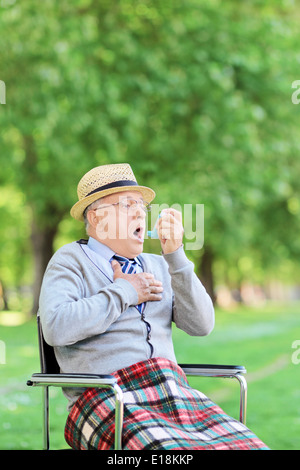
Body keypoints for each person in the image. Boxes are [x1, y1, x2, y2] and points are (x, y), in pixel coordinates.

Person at [39, 163, 268, 450]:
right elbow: (55, 327)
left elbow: (202, 324)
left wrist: (176, 256)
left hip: (173, 390)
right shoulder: (70, 260)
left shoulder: (160, 265)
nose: (140, 212)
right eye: (127, 204)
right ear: (97, 218)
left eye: (142, 205)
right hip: (105, 398)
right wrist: (125, 290)